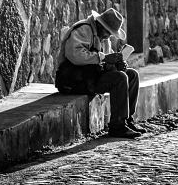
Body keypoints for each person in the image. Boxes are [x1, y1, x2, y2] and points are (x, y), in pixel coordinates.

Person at [55, 8, 146, 139]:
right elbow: (74, 55)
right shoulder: (83, 30)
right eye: (108, 32)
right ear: (100, 24)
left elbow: (105, 62)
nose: (108, 36)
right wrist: (103, 58)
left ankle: (127, 120)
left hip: (91, 78)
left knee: (132, 75)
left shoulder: (102, 37)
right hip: (73, 80)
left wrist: (116, 65)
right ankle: (117, 126)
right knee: (120, 78)